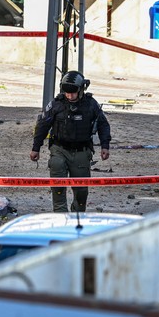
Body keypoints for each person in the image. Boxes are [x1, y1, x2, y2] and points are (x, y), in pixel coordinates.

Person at [30, 71, 111, 213]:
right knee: (58, 187)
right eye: (67, 92)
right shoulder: (56, 104)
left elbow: (103, 124)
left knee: (81, 191)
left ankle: (77, 217)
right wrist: (35, 148)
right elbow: (43, 125)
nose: (69, 96)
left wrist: (105, 146)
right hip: (59, 149)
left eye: (73, 92)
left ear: (81, 90)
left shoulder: (90, 104)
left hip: (81, 152)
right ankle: (60, 217)